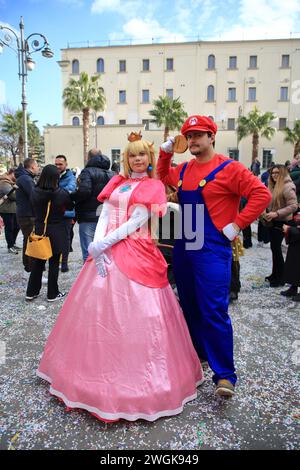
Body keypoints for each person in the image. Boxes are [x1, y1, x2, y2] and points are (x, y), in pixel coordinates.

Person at [36, 133, 203, 422]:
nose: (138, 159)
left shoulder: (153, 186)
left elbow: (136, 221)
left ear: (150, 159)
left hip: (135, 250)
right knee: (94, 312)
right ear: (126, 159)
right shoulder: (117, 182)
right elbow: (105, 213)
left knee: (140, 316)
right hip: (105, 250)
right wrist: (95, 244)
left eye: (142, 155)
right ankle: (88, 379)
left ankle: (139, 386)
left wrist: (104, 244)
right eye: (133, 155)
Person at [157, 115, 272, 397]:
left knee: (214, 309)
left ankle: (225, 375)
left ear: (211, 137)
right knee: (190, 304)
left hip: (211, 245)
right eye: (189, 135)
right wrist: (165, 152)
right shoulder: (183, 170)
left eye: (199, 134)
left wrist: (237, 225)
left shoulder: (230, 168)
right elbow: (161, 176)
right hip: (185, 243)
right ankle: (199, 356)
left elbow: (261, 194)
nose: (193, 139)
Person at [26, 165, 73, 302]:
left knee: (38, 262)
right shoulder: (60, 193)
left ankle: (31, 292)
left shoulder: (34, 191)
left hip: (40, 229)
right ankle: (52, 293)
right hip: (57, 230)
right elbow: (70, 206)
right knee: (53, 263)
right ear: (56, 177)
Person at [72, 148, 114, 262]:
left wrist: (73, 197)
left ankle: (89, 278)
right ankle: (103, 279)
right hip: (107, 217)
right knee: (105, 251)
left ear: (89, 158)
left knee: (88, 252)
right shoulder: (113, 174)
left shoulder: (87, 172)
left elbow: (84, 191)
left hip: (88, 216)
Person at [263, 164, 298, 287]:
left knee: (277, 249)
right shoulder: (272, 186)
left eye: (277, 173)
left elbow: (293, 206)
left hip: (282, 221)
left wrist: (276, 213)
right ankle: (275, 274)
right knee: (274, 248)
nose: (274, 175)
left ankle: (281, 278)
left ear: (282, 173)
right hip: (273, 221)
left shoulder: (288, 186)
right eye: (272, 173)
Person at [15, 159, 40, 273]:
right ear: (32, 167)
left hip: (26, 214)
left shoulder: (24, 177)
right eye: (37, 166)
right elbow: (34, 195)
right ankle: (31, 269)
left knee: (28, 240)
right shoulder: (26, 178)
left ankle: (28, 267)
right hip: (28, 215)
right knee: (32, 241)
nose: (38, 168)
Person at [55, 155, 76, 272]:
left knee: (66, 238)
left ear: (66, 165)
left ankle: (64, 263)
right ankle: (55, 261)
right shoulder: (54, 175)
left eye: (60, 164)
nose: (58, 166)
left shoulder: (70, 177)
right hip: (54, 213)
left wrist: (54, 193)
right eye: (56, 164)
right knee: (53, 238)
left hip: (66, 212)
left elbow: (70, 190)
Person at [0, 169, 20, 254]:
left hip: (12, 209)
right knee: (9, 228)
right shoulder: (4, 183)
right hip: (6, 209)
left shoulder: (10, 183)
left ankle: (13, 243)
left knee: (17, 226)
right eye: (16, 175)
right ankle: (10, 246)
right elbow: (13, 196)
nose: (17, 178)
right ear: (11, 173)